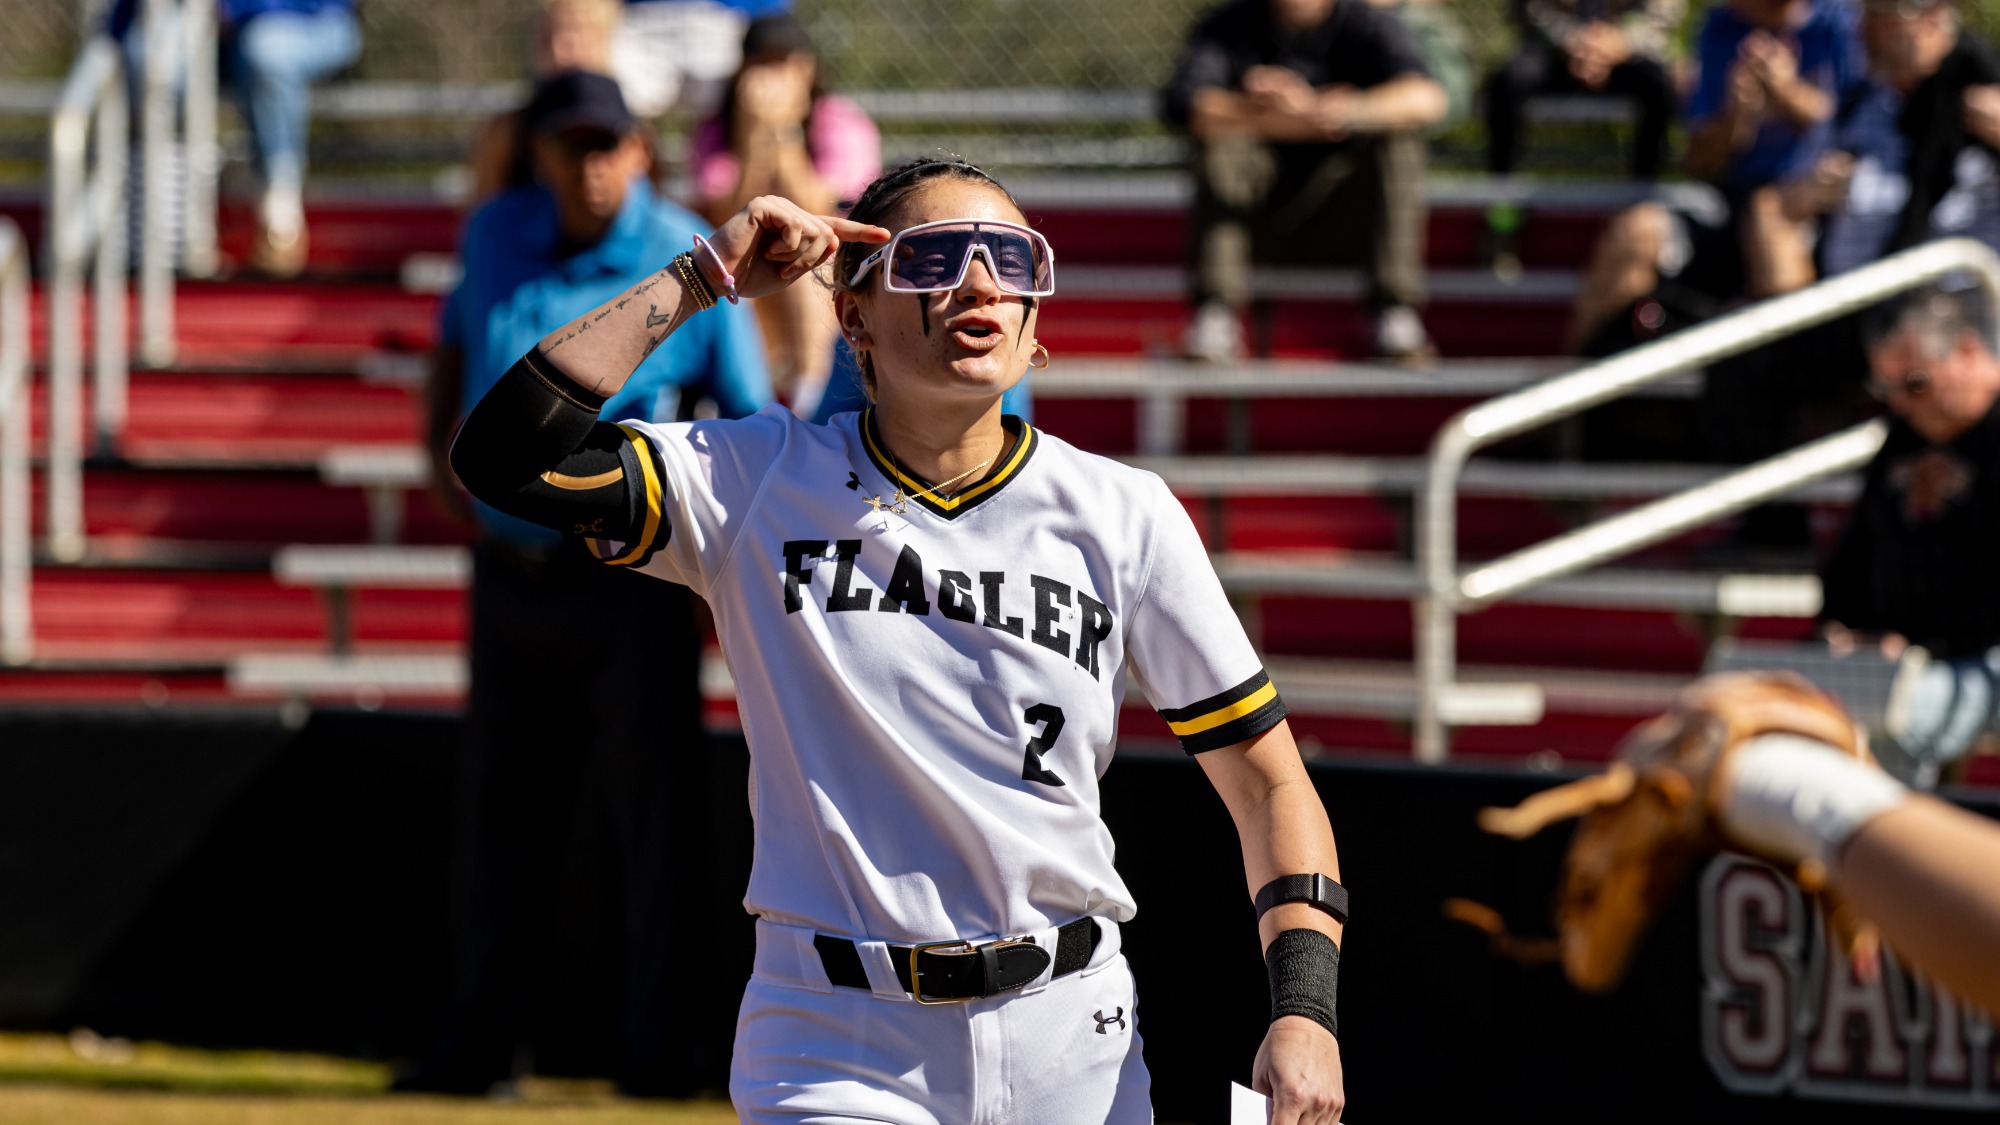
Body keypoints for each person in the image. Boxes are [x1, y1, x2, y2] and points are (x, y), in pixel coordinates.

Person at [447, 157, 1351, 1123]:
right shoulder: (752, 481)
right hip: (833, 1038)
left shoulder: (1126, 515)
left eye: (1009, 259)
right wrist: (704, 274)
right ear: (854, 317)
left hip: (1075, 1037)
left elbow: (1269, 781)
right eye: (930, 259)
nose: (979, 283)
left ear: (1036, 322)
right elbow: (501, 458)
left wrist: (1308, 1012)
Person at [406, 70, 769, 1097]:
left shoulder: (683, 253)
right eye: (572, 146)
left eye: (609, 144)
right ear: (540, 155)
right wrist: (433, 451)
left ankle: (658, 1054)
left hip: (628, 581)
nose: (593, 166)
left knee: (651, 821)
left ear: (641, 150)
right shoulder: (493, 233)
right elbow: (453, 342)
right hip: (508, 568)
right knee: (498, 813)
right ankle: (478, 1050)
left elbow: (743, 410)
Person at [1567, 0, 1863, 355]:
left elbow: (1859, 127)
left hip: (1812, 211)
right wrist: (1735, 118)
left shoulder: (1843, 22)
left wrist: (1787, 93)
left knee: (1768, 217)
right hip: (1726, 207)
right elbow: (1699, 161)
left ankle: (1789, 391)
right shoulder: (1719, 25)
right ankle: (1570, 392)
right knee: (1637, 230)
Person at [1162, 0, 1448, 362]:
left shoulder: (1368, 23)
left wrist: (1341, 110)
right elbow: (1185, 105)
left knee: (1398, 141)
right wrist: (1272, 114)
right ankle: (1215, 317)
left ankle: (1394, 315)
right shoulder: (1229, 25)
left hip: (1345, 210)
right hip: (1256, 211)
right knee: (1221, 141)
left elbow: (1428, 98)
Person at [1815, 287, 2000, 779]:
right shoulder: (1902, 441)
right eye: (1887, 389)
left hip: (1979, 659)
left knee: (1888, 724)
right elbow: (1854, 555)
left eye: (1914, 383)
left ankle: (1894, 853)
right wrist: (1844, 628)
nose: (1899, 403)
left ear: (1966, 349)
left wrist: (1921, 647)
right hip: (1902, 661)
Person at [692, 14, 881, 415]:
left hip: (825, 260)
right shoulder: (717, 128)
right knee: (743, 270)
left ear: (807, 67)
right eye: (763, 64)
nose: (774, 78)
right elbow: (728, 214)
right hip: (746, 265)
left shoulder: (841, 121)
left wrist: (783, 132)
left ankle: (807, 404)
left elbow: (820, 209)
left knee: (803, 264)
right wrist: (754, 137)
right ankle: (745, 406)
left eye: (785, 63)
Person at [1485, 0, 1681, 181]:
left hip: (1628, 56)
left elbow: (1662, 12)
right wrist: (1575, 40)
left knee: (1660, 84)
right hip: (1555, 53)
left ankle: (1644, 192)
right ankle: (1503, 193)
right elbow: (1532, 8)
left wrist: (1622, 42)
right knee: (1510, 79)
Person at [469, 0, 624, 202]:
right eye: (546, 37)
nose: (558, 50)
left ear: (603, 38)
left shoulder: (629, 133)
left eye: (574, 35)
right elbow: (481, 216)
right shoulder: (508, 132)